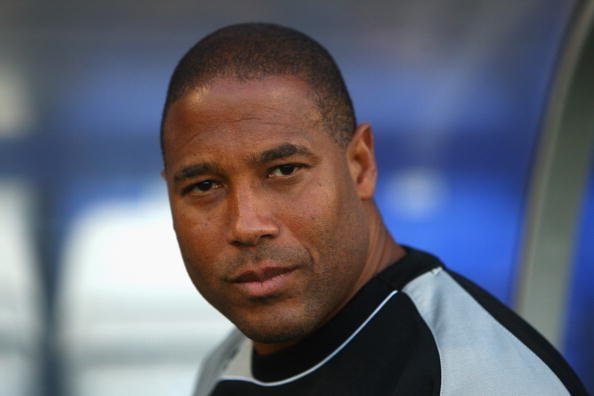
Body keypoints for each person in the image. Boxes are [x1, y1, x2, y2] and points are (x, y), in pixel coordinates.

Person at [160, 23, 587, 396]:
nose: (247, 225)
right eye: (204, 186)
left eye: (284, 170)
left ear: (360, 165)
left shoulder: (479, 380)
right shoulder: (229, 361)